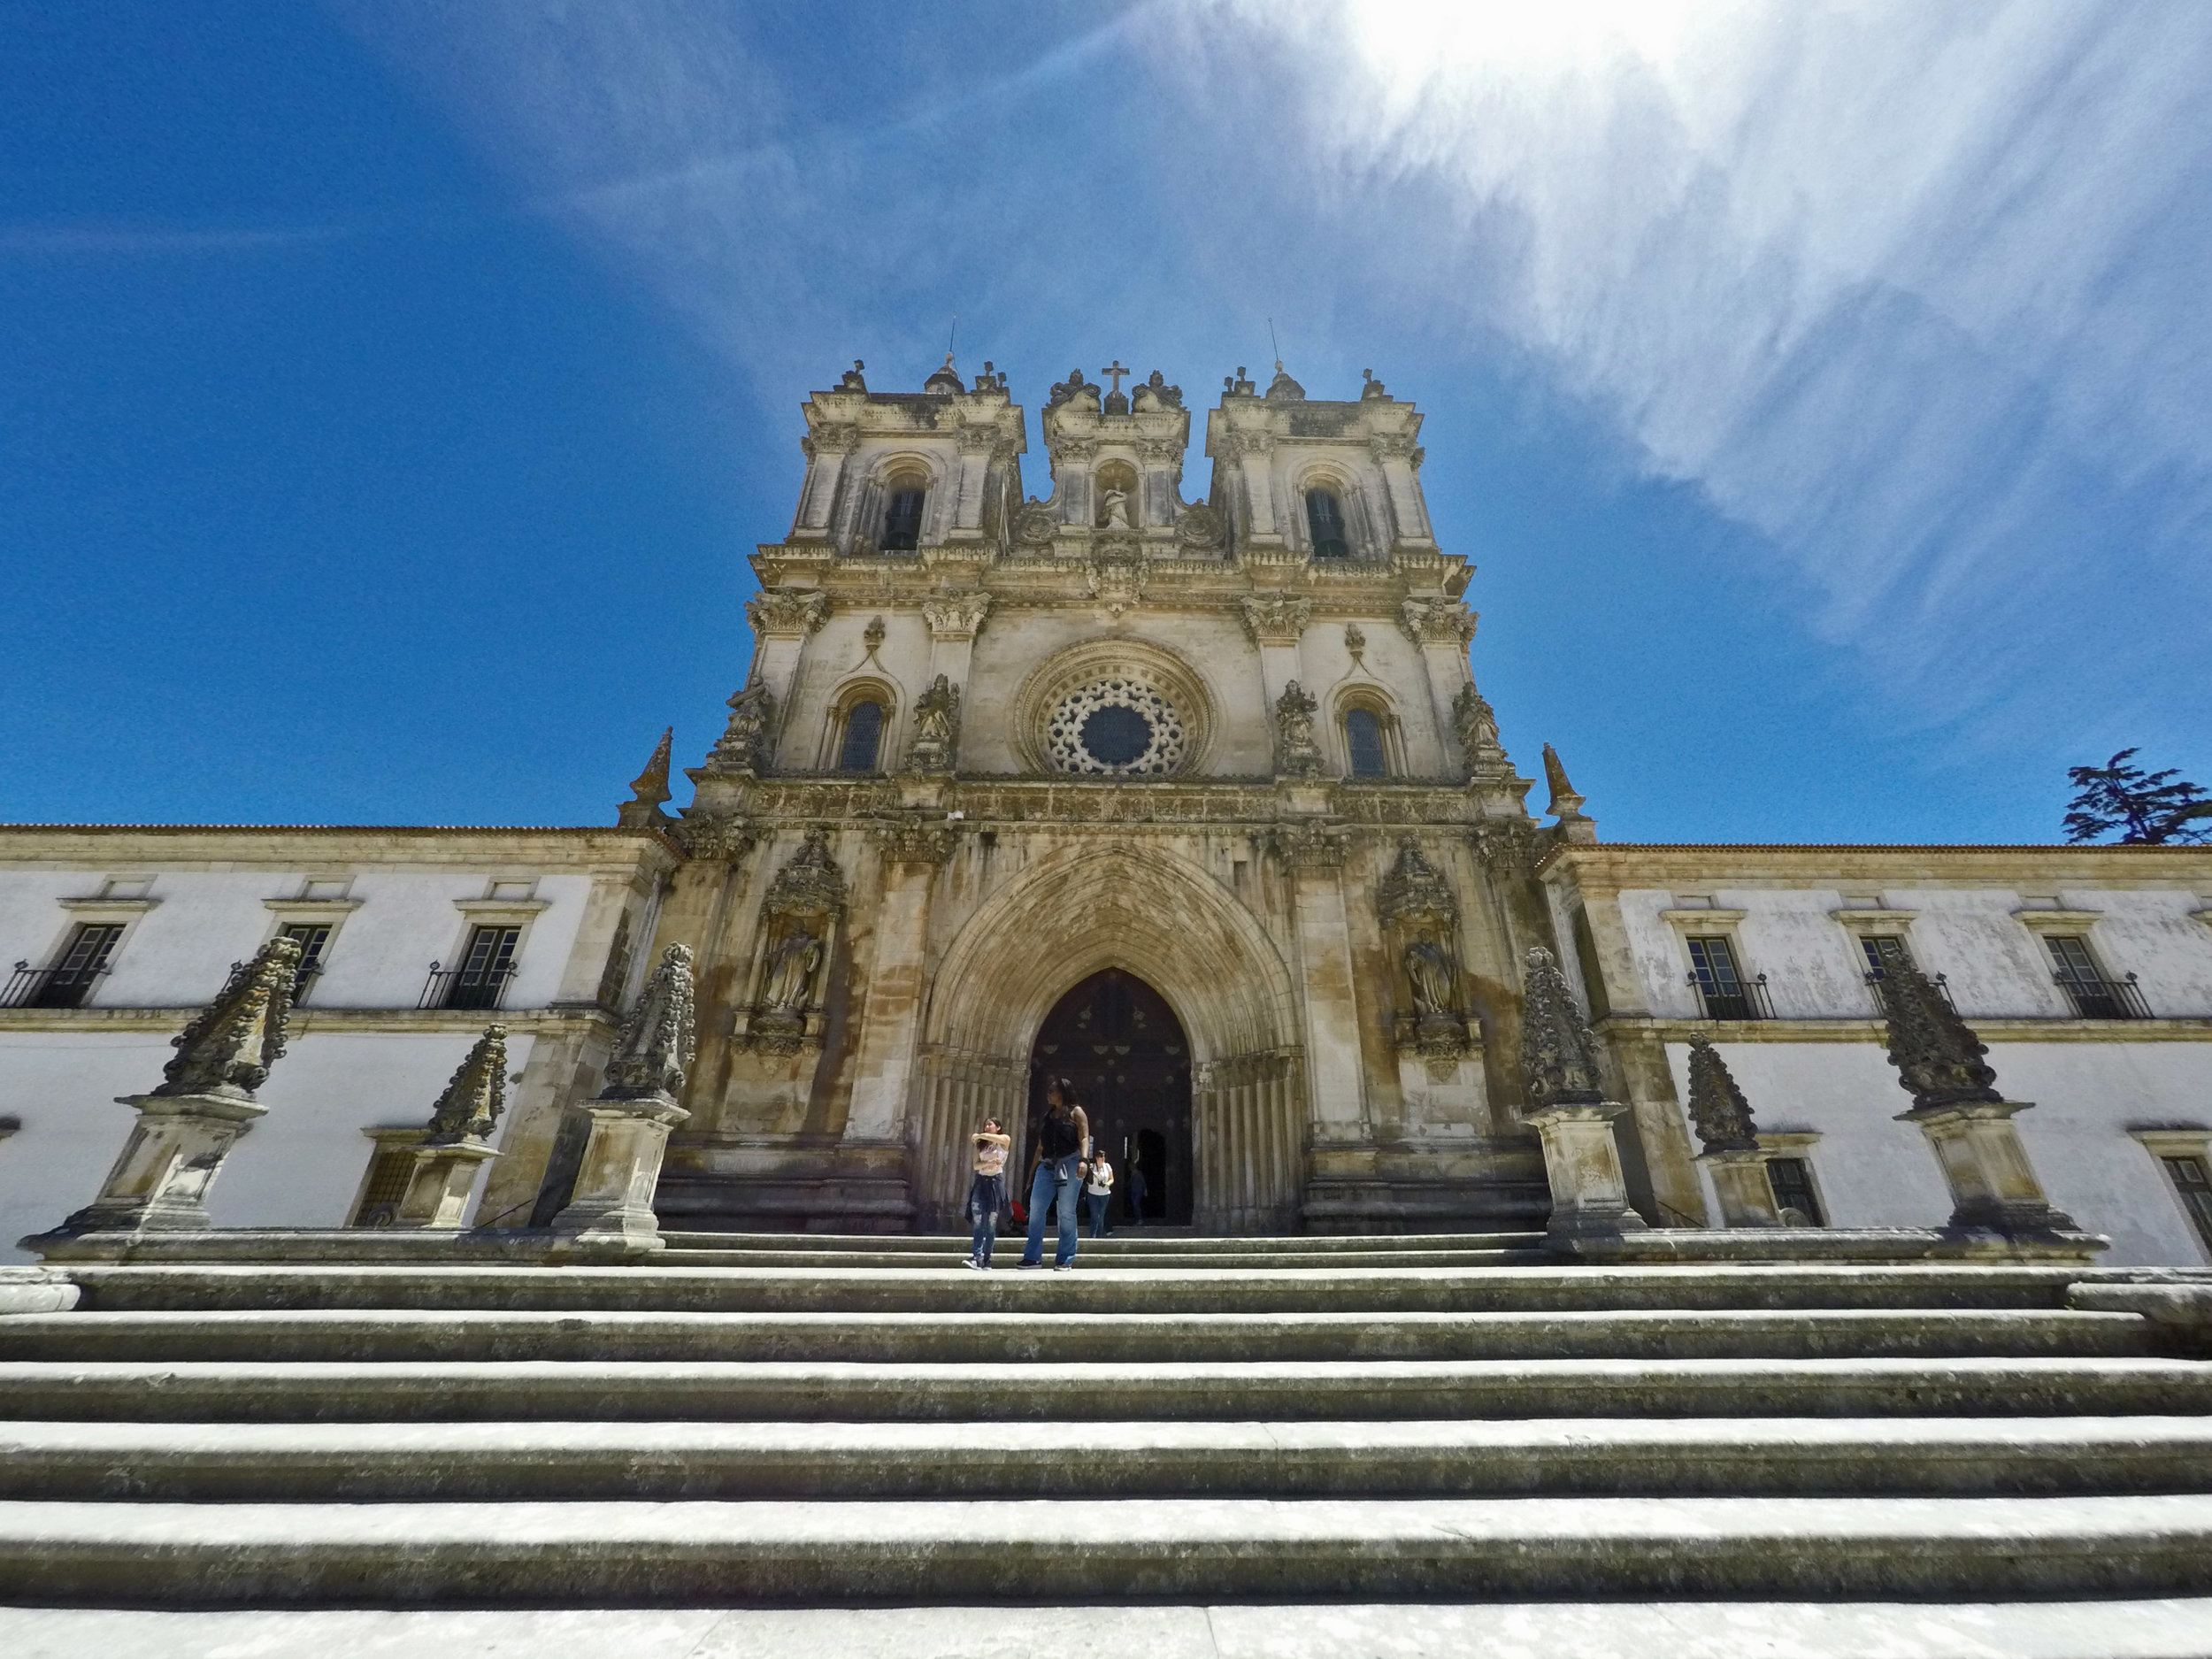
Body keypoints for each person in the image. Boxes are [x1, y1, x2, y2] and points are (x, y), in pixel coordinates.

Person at [1018, 1078, 1089, 1271]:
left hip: (1070, 1163)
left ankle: (1065, 1259)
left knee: (1065, 1212)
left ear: (1063, 1092)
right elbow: (1040, 1147)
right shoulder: (1048, 1116)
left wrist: (1084, 1160)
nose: (1048, 1094)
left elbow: (1083, 1137)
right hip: (1047, 1165)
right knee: (1036, 1210)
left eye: (1052, 1091)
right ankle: (1032, 1257)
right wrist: (1031, 1174)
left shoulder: (1076, 1112)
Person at [964, 1117, 1011, 1270]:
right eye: (985, 1125)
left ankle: (987, 1259)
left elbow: (993, 1138)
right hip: (982, 1181)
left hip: (995, 1183)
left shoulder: (1004, 1140)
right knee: (978, 1220)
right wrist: (989, 1163)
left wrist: (979, 1135)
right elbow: (976, 1165)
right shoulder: (980, 1145)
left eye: (990, 1124)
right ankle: (976, 1257)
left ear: (998, 1127)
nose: (987, 1126)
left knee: (991, 1223)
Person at [1084, 1150, 1116, 1238]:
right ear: (1096, 1158)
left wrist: (1107, 1184)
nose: (1102, 1158)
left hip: (1104, 1194)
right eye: (1100, 1157)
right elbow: (1086, 1178)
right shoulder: (1091, 1167)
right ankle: (1093, 1236)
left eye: (1103, 1157)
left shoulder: (1107, 1166)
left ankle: (1099, 1236)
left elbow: (1111, 1179)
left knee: (1101, 1216)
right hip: (1092, 1194)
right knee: (1094, 1215)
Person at [1125, 1157, 1148, 1228]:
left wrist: (1145, 1190)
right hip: (1133, 1191)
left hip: (1139, 1191)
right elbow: (1130, 1183)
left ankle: (1140, 1219)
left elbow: (1143, 1182)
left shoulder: (1138, 1173)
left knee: (1136, 1204)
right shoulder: (1132, 1174)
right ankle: (1137, 1219)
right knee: (1134, 1205)